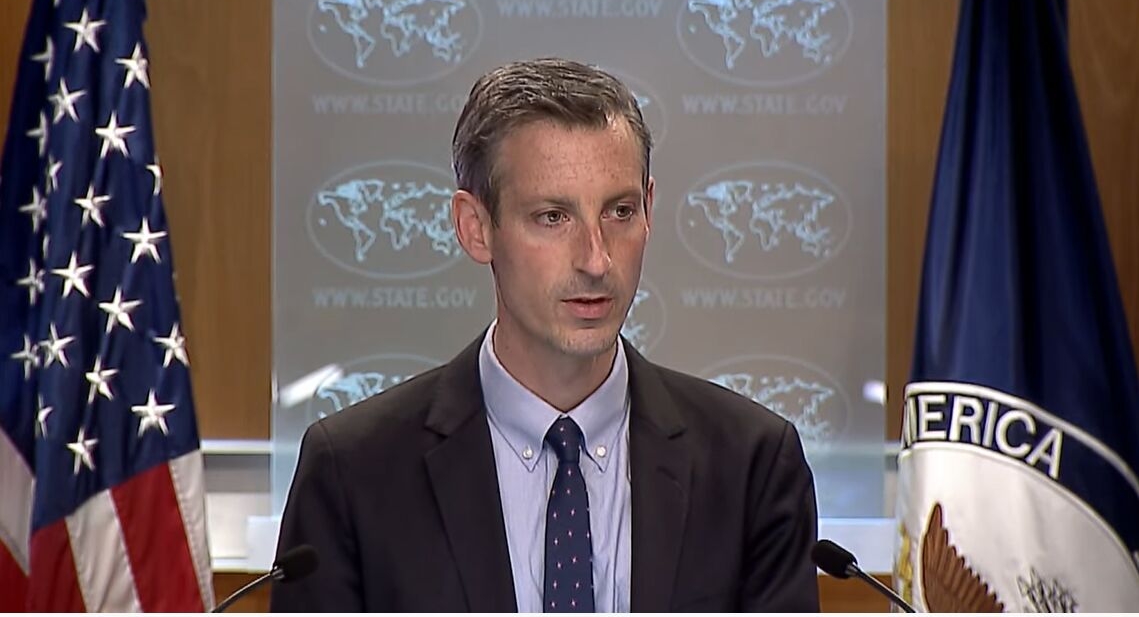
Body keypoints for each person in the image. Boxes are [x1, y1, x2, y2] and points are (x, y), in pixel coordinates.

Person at [270, 57, 820, 612]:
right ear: (475, 228)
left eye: (620, 211)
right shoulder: (353, 473)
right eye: (553, 217)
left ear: (649, 210)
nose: (596, 260)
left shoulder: (751, 465)